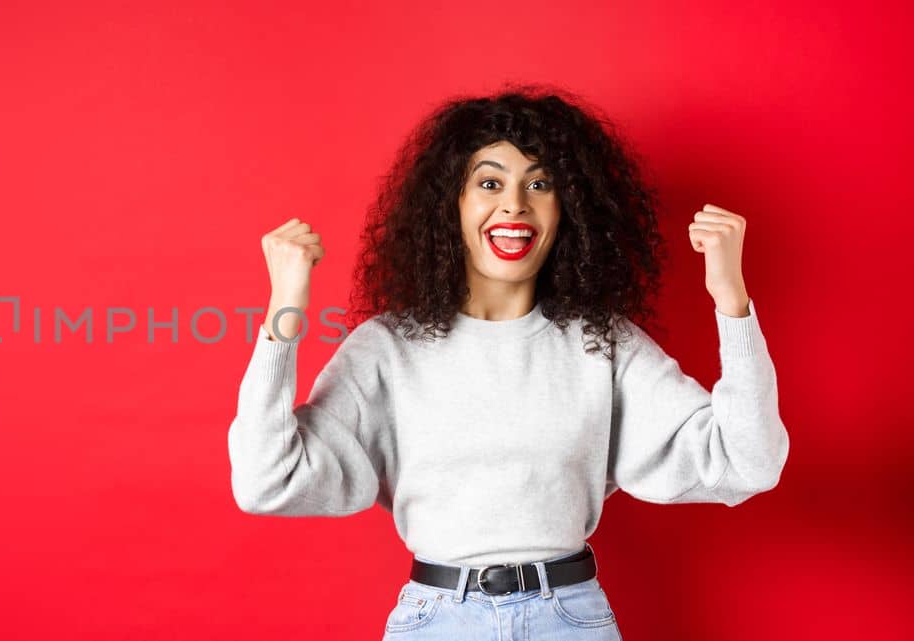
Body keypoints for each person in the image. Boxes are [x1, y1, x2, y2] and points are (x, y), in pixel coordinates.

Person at [226, 85, 789, 640]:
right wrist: (284, 311)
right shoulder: (387, 348)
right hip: (437, 621)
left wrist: (731, 300)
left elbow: (748, 461)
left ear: (568, 209)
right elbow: (266, 480)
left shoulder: (602, 344)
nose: (515, 203)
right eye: (490, 182)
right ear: (452, 205)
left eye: (539, 183)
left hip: (572, 621)